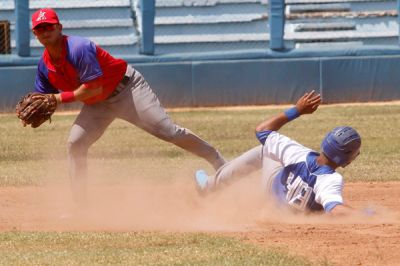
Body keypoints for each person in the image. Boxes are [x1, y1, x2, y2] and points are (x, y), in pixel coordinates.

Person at [30, 8, 226, 200]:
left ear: (59, 27)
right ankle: (80, 204)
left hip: (127, 90)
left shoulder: (78, 48)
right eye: (40, 28)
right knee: (75, 143)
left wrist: (57, 99)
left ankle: (217, 160)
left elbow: (93, 88)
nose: (45, 31)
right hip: (98, 105)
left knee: (169, 131)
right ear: (34, 33)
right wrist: (40, 107)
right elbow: (43, 98)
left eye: (49, 26)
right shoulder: (44, 67)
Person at [195, 91, 365, 216]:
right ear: (347, 160)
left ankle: (209, 186)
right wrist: (364, 215)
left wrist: (297, 110)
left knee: (265, 149)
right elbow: (335, 208)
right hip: (281, 212)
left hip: (271, 191)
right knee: (322, 202)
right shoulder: (331, 180)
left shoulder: (298, 153)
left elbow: (262, 131)